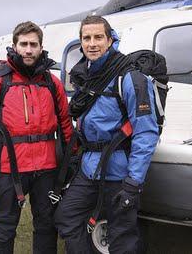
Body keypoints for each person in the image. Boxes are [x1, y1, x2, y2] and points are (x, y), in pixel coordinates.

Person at [54, 16, 159, 253]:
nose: (92, 44)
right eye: (86, 38)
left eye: (98, 37)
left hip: (120, 175)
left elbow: (146, 133)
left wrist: (133, 183)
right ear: (81, 43)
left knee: (122, 238)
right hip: (90, 169)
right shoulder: (86, 77)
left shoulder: (130, 78)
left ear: (110, 40)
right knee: (66, 218)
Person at [0, 21, 73, 254]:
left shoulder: (51, 83)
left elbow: (66, 125)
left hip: (47, 169)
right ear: (14, 46)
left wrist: (71, 163)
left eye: (33, 44)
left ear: (41, 47)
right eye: (23, 44)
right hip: (9, 169)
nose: (28, 49)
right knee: (4, 227)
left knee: (46, 226)